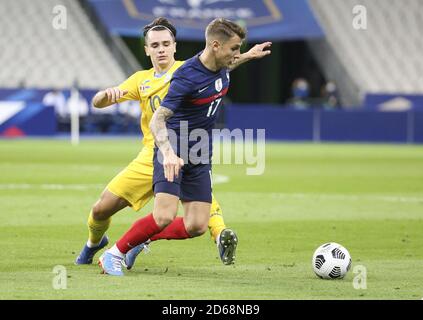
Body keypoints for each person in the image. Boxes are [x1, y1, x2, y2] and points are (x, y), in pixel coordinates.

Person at [75, 17, 271, 270]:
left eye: (166, 43)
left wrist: (247, 55)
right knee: (102, 209)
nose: (161, 49)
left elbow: (223, 64)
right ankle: (95, 244)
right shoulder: (146, 79)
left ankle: (212, 232)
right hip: (158, 150)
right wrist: (104, 96)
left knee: (196, 219)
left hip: (195, 148)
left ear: (175, 46)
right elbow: (101, 104)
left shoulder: (198, 66)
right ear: (147, 50)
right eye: (155, 45)